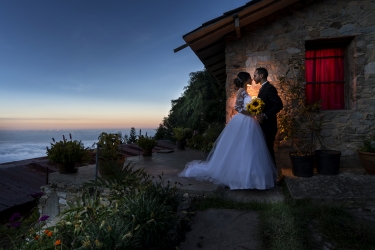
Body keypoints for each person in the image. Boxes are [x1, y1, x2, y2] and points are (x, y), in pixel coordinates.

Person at [178, 72, 277, 190]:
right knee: (242, 146)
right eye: (250, 77)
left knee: (250, 147)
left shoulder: (246, 91)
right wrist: (250, 113)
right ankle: (240, 177)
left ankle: (250, 176)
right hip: (244, 121)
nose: (252, 79)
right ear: (246, 80)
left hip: (250, 122)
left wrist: (254, 112)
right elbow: (237, 107)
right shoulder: (241, 91)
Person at [253, 67, 283, 167]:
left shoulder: (269, 88)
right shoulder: (262, 88)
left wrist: (265, 115)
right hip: (264, 125)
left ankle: (273, 177)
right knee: (265, 151)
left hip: (269, 126)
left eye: (255, 75)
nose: (254, 78)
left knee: (268, 150)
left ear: (261, 76)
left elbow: (279, 105)